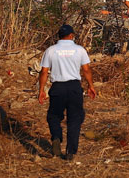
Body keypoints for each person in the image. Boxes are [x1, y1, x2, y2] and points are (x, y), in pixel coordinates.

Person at [38, 24, 96, 161]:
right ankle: (70, 151)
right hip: (74, 87)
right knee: (75, 119)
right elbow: (86, 70)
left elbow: (44, 72)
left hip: (57, 87)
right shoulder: (79, 50)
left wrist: (41, 90)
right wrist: (91, 85)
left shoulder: (50, 50)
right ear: (71, 36)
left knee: (53, 116)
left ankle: (57, 137)